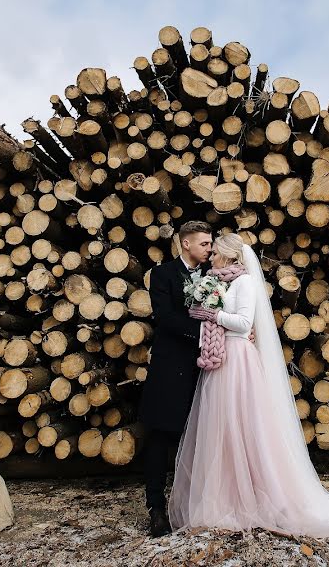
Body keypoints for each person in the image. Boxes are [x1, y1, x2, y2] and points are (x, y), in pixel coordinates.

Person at [169, 233, 329, 538]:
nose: (211, 255)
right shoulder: (220, 281)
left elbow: (245, 323)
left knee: (244, 426)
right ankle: (225, 496)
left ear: (229, 256)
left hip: (238, 361)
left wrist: (214, 314)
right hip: (222, 358)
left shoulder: (245, 282)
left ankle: (257, 494)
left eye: (216, 251)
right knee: (221, 428)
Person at [138, 220, 212, 537]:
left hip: (208, 366)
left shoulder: (214, 275)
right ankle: (156, 507)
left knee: (204, 434)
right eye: (205, 243)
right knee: (160, 434)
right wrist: (205, 333)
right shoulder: (163, 274)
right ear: (186, 244)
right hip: (172, 364)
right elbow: (165, 317)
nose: (210, 248)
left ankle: (199, 503)